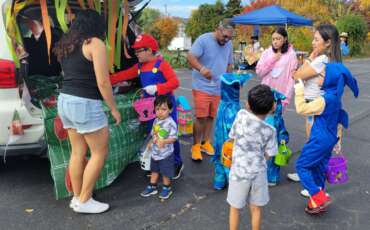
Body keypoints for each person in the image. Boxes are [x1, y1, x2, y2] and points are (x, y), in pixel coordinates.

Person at [53, 9, 121, 214]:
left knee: (78, 152)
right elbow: (103, 81)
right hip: (84, 103)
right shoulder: (95, 43)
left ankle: (76, 197)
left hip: (65, 100)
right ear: (95, 25)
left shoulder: (66, 45)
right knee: (100, 152)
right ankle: (85, 199)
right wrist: (114, 108)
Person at [109, 34, 183, 179]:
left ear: (149, 50)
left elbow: (174, 83)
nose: (136, 54)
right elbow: (123, 75)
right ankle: (158, 163)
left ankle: (176, 162)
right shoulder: (139, 66)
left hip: (165, 108)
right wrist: (104, 79)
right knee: (154, 134)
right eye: (135, 51)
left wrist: (157, 88)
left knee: (169, 134)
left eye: (139, 51)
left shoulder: (162, 64)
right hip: (150, 108)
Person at [294, 63, 358, 214]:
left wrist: (299, 89)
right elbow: (338, 121)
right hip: (329, 139)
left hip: (319, 139)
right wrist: (338, 140)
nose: (317, 76)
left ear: (330, 80)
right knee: (318, 168)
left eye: (321, 75)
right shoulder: (336, 97)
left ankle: (318, 196)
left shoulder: (326, 99)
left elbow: (301, 108)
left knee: (302, 166)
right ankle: (317, 202)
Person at [287, 24, 341, 195]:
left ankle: (315, 187)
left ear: (328, 42)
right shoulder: (331, 60)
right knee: (315, 144)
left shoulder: (321, 60)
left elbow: (297, 75)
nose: (313, 42)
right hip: (321, 107)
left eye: (316, 39)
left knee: (315, 143)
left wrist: (310, 58)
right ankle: (314, 181)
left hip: (315, 106)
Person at [227, 84, 278, 230]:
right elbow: (270, 153)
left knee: (235, 208)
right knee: (256, 208)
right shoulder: (270, 130)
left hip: (239, 172)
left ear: (248, 104)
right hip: (258, 172)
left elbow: (232, 136)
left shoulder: (241, 115)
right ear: (272, 107)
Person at [187, 19, 234, 161]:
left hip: (218, 88)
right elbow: (190, 57)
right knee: (201, 117)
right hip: (202, 86)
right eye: (224, 36)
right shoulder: (203, 40)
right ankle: (195, 146)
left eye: (229, 37)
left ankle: (205, 142)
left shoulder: (229, 44)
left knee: (211, 117)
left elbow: (229, 64)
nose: (226, 40)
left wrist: (229, 81)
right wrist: (201, 69)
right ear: (217, 29)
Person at [256, 27, 297, 186]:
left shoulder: (291, 55)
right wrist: (273, 59)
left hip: (279, 101)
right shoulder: (267, 53)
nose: (275, 42)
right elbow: (260, 71)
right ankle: (260, 170)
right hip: (263, 99)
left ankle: (272, 175)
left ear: (285, 39)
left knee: (275, 136)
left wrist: (285, 99)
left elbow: (291, 79)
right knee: (261, 134)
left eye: (278, 39)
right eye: (273, 39)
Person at [140, 95, 178, 199]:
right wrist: (151, 142)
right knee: (154, 170)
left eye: (164, 109)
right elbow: (154, 134)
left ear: (170, 110)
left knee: (165, 172)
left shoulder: (171, 123)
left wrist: (165, 141)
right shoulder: (156, 121)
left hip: (166, 154)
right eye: (157, 109)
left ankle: (167, 188)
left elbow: (174, 138)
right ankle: (152, 186)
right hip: (155, 153)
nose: (160, 112)